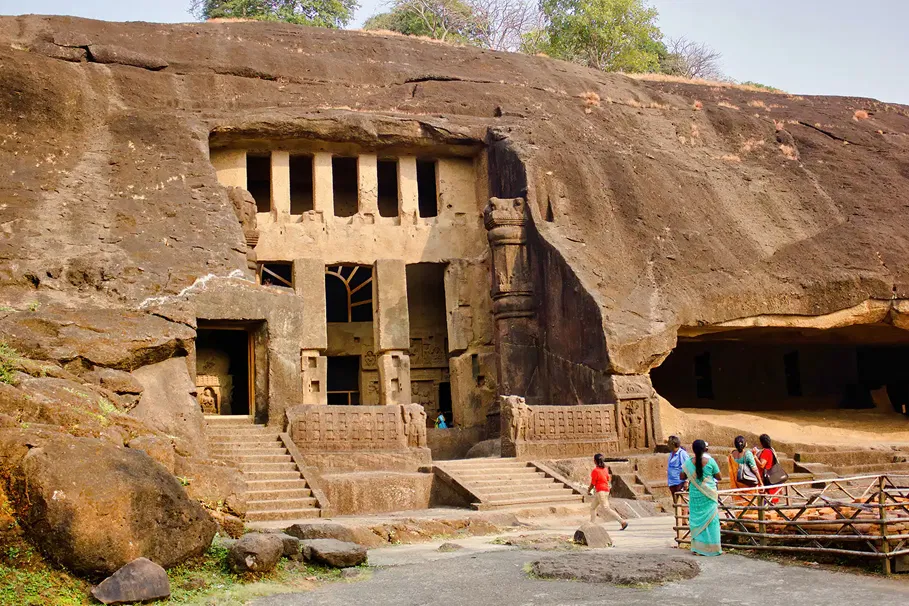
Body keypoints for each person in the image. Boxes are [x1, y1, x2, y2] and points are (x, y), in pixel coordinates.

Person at [679, 439, 722, 556]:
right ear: (705, 449)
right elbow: (719, 476)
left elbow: (682, 476)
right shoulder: (711, 461)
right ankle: (714, 548)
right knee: (712, 522)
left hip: (695, 495)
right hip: (709, 495)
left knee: (696, 521)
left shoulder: (688, 463)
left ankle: (698, 549)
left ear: (693, 450)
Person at [588, 453, 628, 530]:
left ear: (595, 461)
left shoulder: (595, 471)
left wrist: (589, 490)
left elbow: (593, 483)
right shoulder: (605, 469)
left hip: (601, 491)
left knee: (606, 508)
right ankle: (592, 524)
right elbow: (608, 479)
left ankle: (622, 522)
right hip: (605, 490)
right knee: (592, 507)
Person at [755, 434, 782, 503]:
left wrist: (754, 456)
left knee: (767, 497)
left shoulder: (766, 451)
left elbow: (762, 465)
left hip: (767, 477)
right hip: (770, 476)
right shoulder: (771, 450)